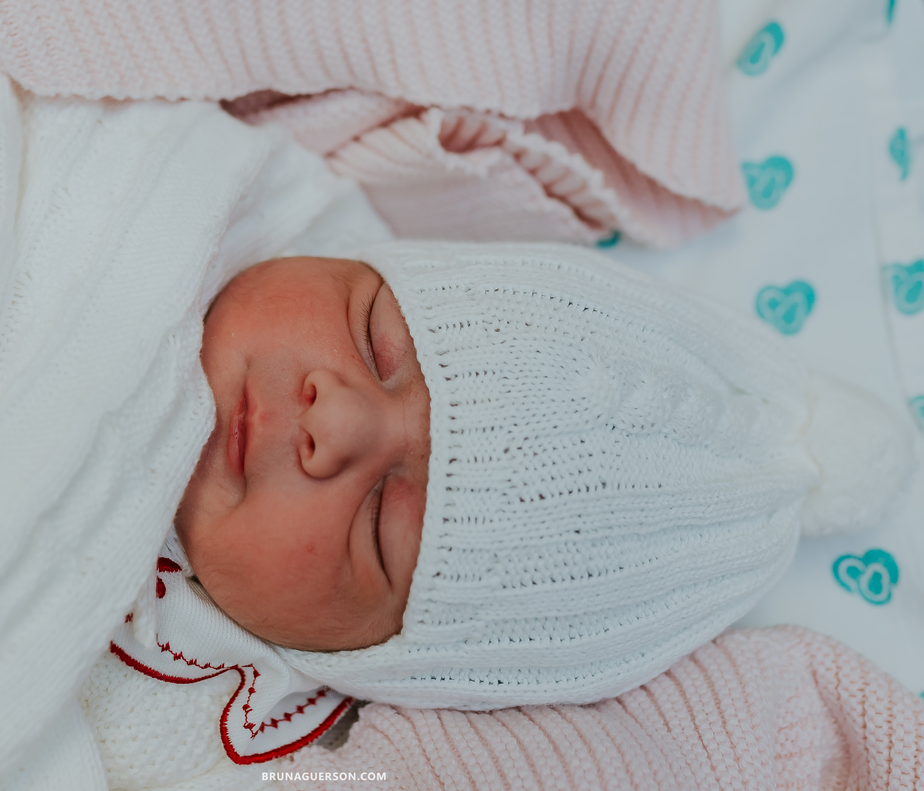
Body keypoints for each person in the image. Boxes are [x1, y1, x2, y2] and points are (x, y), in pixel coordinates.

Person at [172, 241, 917, 708]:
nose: (333, 424)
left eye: (376, 526)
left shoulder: (262, 746)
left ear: (367, 663)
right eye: (375, 342)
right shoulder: (169, 185)